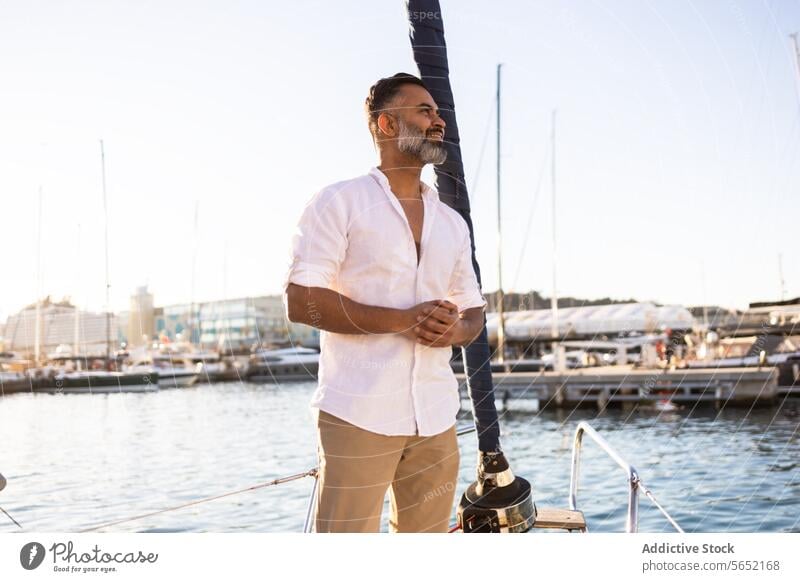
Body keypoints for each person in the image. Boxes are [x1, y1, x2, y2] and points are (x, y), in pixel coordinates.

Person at [284, 73, 486, 533]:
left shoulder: (451, 223)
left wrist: (453, 331)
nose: (439, 122)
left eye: (438, 112)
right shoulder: (339, 202)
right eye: (425, 111)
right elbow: (302, 302)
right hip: (359, 414)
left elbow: (473, 312)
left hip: (435, 417)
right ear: (387, 125)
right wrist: (402, 319)